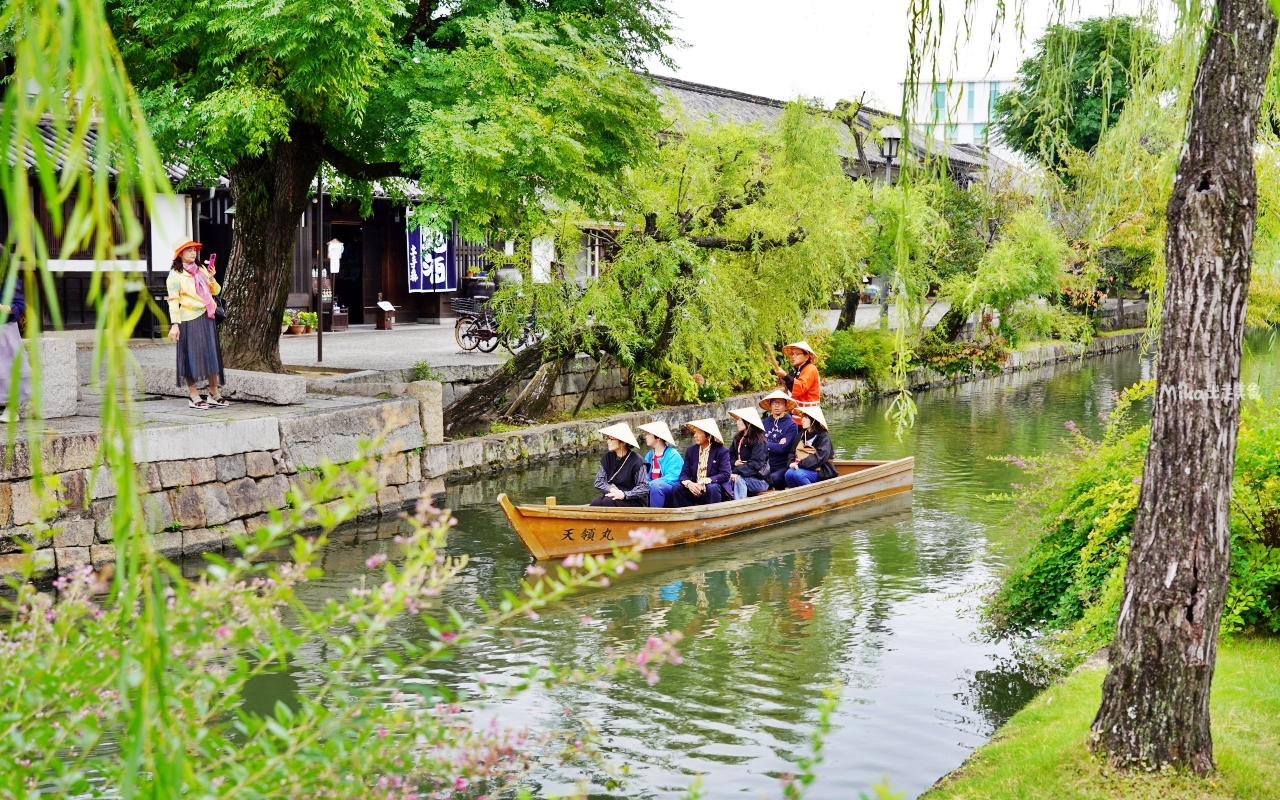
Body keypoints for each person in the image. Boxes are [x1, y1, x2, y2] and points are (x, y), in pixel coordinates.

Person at [167, 238, 227, 409]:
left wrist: (211, 278)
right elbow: (173, 300)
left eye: (194, 249)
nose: (193, 253)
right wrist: (175, 324)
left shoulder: (201, 269)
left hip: (207, 316)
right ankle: (193, 394)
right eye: (189, 250)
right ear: (180, 254)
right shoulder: (175, 275)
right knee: (191, 356)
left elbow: (215, 291)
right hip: (188, 318)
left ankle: (214, 393)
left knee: (211, 354)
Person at [670, 418, 732, 507]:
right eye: (695, 433)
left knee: (712, 487)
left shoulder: (722, 451)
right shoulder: (690, 451)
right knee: (677, 487)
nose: (695, 435)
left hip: (713, 491)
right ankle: (681, 516)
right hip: (696, 490)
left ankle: (714, 517)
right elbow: (684, 473)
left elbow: (725, 474)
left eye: (699, 433)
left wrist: (704, 481)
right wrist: (689, 484)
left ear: (708, 436)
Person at [589, 423, 650, 507]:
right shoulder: (607, 458)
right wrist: (610, 489)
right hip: (613, 495)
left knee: (608, 501)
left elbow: (644, 488)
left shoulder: (637, 461)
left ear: (622, 443)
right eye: (608, 438)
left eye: (611, 439)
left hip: (634, 500)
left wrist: (624, 495)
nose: (608, 441)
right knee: (595, 503)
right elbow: (598, 482)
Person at [0, 276, 31, 422]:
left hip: (4, 330)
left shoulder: (10, 280)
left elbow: (20, 305)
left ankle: (11, 409)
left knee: (8, 369)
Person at [784, 406, 837, 488]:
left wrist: (801, 464)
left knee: (799, 474)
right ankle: (796, 497)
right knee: (788, 474)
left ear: (813, 420)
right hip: (801, 467)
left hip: (821, 469)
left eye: (806, 417)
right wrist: (791, 463)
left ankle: (813, 496)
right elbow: (792, 452)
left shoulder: (823, 436)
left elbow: (821, 456)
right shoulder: (800, 435)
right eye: (803, 417)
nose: (803, 420)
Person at [758, 389, 798, 490]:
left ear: (785, 405)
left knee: (774, 478)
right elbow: (758, 445)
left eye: (780, 403)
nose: (776, 405)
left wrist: (765, 443)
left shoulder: (791, 425)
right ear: (770, 405)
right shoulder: (764, 423)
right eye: (774, 402)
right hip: (765, 464)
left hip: (782, 465)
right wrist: (774, 444)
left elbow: (783, 448)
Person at [727, 407, 770, 501]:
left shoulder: (759, 441)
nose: (737, 422)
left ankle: (739, 505)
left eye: (739, 420)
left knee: (739, 479)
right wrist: (734, 462)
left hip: (759, 480)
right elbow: (729, 456)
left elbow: (756, 464)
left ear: (747, 422)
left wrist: (736, 472)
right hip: (738, 473)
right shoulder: (737, 438)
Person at [638, 420, 684, 509]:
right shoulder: (649, 455)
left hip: (671, 491)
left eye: (648, 434)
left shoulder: (673, 455)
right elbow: (645, 476)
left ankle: (655, 519)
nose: (645, 437)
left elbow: (672, 478)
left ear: (657, 437)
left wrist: (649, 485)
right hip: (652, 488)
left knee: (656, 487)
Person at [774, 340, 821, 416]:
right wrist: (783, 378)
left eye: (797, 354)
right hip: (798, 415)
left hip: (809, 415)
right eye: (792, 354)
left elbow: (799, 387)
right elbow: (791, 387)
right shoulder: (799, 370)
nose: (793, 356)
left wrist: (785, 376)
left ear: (806, 356)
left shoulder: (810, 369)